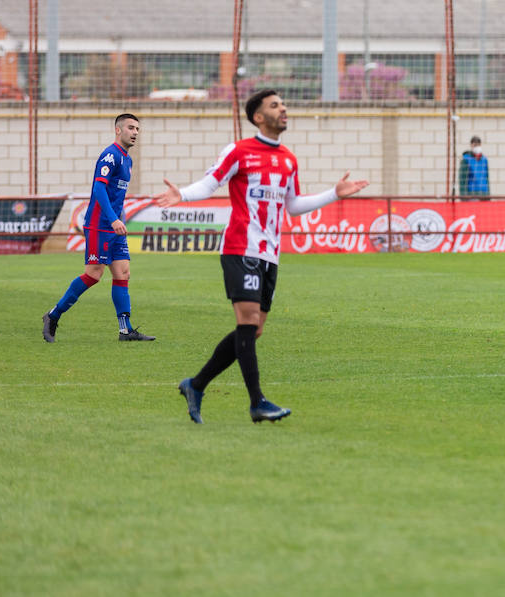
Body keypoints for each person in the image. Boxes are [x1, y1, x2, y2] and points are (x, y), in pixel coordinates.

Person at [153, 89, 369, 423]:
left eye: (283, 103)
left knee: (252, 331)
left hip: (270, 254)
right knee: (247, 320)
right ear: (258, 117)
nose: (283, 108)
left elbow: (293, 206)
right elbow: (209, 184)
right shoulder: (239, 151)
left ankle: (195, 385)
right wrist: (181, 194)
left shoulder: (288, 159)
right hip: (241, 247)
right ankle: (257, 403)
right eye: (275, 105)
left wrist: (333, 194)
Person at [42, 113, 155, 343]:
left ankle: (126, 330)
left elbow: (115, 195)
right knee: (94, 275)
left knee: (123, 272)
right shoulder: (110, 155)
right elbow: (99, 190)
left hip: (114, 226)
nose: (135, 132)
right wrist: (113, 219)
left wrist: (118, 219)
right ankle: (53, 315)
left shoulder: (128, 160)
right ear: (118, 130)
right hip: (100, 225)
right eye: (131, 128)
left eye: (137, 129)